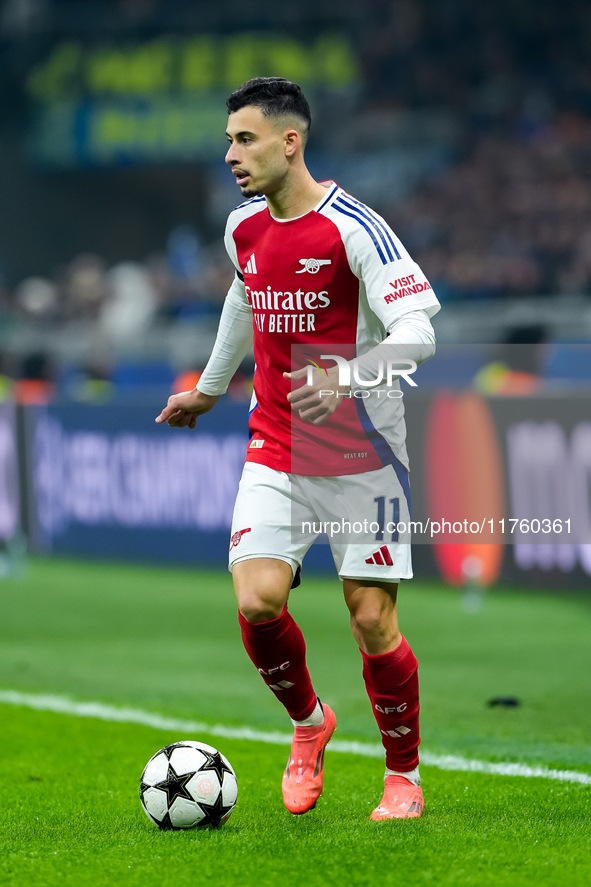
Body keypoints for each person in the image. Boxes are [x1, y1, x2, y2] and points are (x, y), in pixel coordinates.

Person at [156, 77, 440, 819]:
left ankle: (401, 776)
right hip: (275, 441)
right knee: (256, 601)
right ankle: (309, 724)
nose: (230, 154)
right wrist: (212, 387)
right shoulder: (243, 225)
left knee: (371, 620)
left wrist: (347, 375)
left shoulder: (356, 229)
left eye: (244, 139)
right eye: (227, 140)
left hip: (361, 453)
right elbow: (246, 295)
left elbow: (419, 332)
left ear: (291, 142)